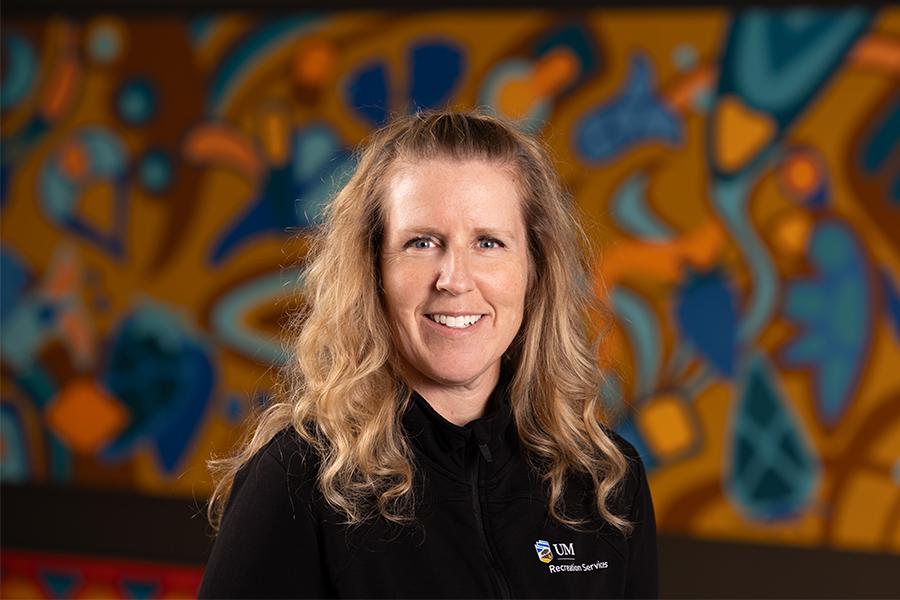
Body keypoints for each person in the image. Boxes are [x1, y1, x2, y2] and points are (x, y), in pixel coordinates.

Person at [199, 110, 658, 599]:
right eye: (421, 243)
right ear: (373, 270)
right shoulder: (299, 480)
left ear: (534, 270)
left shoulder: (606, 481)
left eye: (488, 242)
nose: (455, 279)